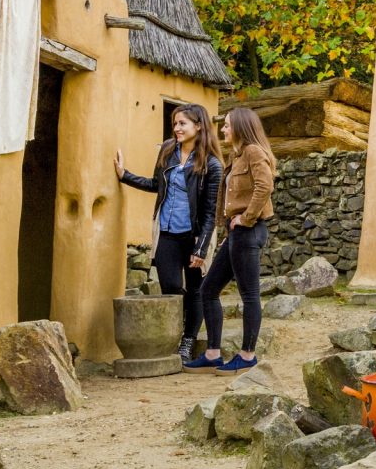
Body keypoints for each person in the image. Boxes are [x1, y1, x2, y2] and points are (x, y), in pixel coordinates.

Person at [115, 104, 223, 361]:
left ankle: (187, 340)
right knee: (171, 286)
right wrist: (124, 176)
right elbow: (156, 185)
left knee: (196, 289)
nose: (176, 128)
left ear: (198, 126)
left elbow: (210, 213)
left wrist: (201, 249)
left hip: (195, 235)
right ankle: (178, 329)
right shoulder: (167, 150)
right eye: (175, 123)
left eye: (182, 123)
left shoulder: (212, 164)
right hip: (166, 230)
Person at [183, 106, 275, 375]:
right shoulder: (235, 156)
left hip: (249, 230)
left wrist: (245, 218)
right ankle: (212, 353)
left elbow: (265, 186)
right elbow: (228, 200)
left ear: (242, 127)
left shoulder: (253, 152)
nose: (223, 129)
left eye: (227, 125)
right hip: (236, 234)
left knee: (249, 295)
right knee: (208, 289)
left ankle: (247, 356)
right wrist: (228, 232)